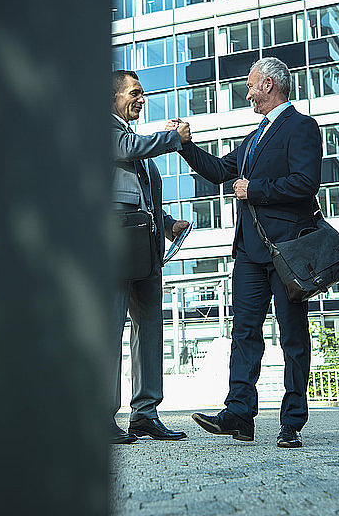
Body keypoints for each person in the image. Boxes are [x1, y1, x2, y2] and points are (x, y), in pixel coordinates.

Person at [167, 58, 322, 448]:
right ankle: (239, 414)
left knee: (293, 338)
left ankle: (292, 422)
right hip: (250, 254)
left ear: (269, 84)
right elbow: (220, 171)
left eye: (251, 86)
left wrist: (255, 190)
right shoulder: (256, 136)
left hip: (287, 251)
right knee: (245, 333)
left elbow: (305, 183)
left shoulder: (301, 127)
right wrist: (186, 146)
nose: (248, 93)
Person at [111, 70, 191, 444]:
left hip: (144, 250)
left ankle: (145, 413)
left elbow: (142, 197)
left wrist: (170, 223)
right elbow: (130, 149)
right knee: (109, 331)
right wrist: (174, 138)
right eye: (134, 92)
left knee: (150, 330)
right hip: (113, 249)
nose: (141, 98)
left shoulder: (132, 141)